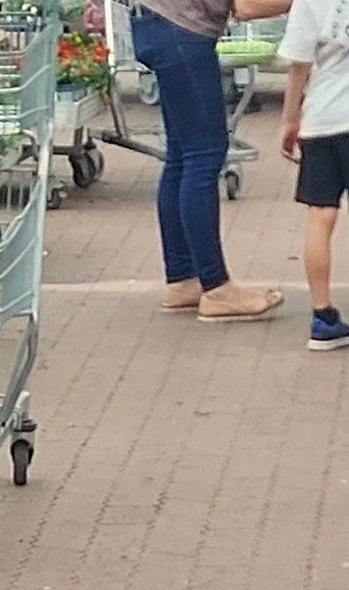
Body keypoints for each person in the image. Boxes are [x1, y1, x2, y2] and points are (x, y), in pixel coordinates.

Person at [130, 0, 285, 318]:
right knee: (204, 153)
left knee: (180, 155)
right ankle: (216, 289)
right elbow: (247, 6)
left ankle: (182, 279)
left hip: (156, 21)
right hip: (182, 29)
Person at [276, 0, 349, 346]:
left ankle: (322, 316)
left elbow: (299, 65)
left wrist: (290, 120)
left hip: (322, 121)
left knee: (320, 216)